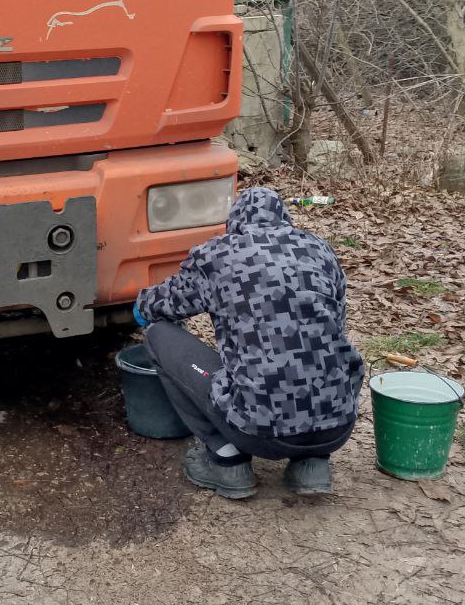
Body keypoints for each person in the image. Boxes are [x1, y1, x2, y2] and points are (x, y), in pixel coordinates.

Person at [133, 187, 364, 499]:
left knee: (159, 334)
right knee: (316, 351)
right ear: (283, 218)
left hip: (257, 432)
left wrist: (140, 306)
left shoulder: (216, 254)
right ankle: (311, 462)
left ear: (234, 222)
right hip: (337, 428)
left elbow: (164, 304)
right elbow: (336, 325)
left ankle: (227, 459)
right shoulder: (318, 250)